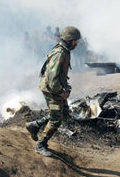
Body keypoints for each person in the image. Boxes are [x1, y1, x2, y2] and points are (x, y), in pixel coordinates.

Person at [25, 26, 81, 157]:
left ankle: (35, 125)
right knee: (56, 119)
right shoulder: (60, 53)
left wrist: (65, 87)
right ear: (69, 40)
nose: (76, 43)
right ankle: (41, 145)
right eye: (75, 41)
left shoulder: (65, 50)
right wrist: (61, 92)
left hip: (56, 87)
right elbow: (51, 78)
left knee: (64, 112)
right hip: (51, 89)